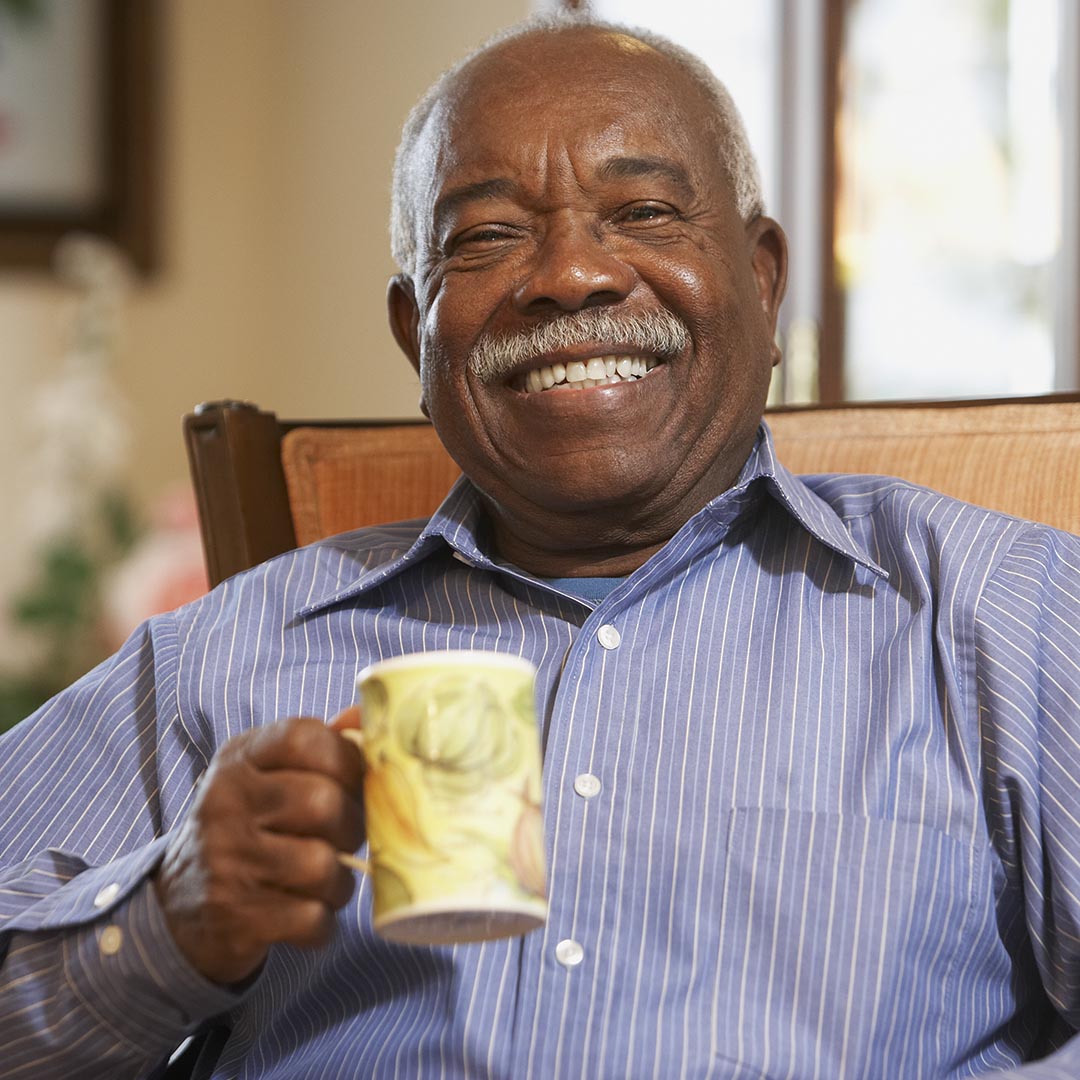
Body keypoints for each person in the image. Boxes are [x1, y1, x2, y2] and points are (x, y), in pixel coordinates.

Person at [2, 12, 1079, 1078]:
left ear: (761, 279)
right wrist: (159, 926)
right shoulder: (225, 654)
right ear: (411, 330)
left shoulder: (995, 614)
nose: (570, 275)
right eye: (485, 236)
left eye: (646, 211)